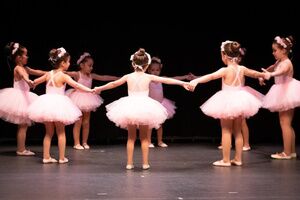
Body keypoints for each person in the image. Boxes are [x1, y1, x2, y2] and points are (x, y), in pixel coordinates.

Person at [94, 48, 190, 170]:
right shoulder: (148, 77)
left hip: (130, 107)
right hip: (145, 107)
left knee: (131, 138)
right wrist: (182, 83)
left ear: (133, 64)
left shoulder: (128, 76)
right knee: (144, 138)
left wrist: (99, 88)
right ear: (147, 65)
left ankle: (129, 163)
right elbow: (166, 80)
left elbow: (113, 84)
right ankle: (145, 163)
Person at [189, 40, 270, 166]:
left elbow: (210, 76)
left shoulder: (225, 70)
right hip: (240, 100)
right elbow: (254, 73)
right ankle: (238, 159)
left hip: (227, 101)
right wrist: (263, 75)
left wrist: (196, 81)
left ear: (225, 56)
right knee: (238, 131)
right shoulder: (242, 68)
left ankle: (226, 160)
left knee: (226, 130)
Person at [28, 47, 94, 164]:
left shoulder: (48, 74)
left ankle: (46, 157)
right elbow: (76, 85)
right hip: (59, 105)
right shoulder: (63, 76)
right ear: (63, 63)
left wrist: (31, 83)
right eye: (68, 61)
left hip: (47, 104)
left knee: (48, 133)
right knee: (61, 132)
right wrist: (89, 90)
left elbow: (35, 81)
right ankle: (62, 158)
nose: (69, 64)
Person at [65, 52, 119, 150]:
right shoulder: (77, 74)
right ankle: (76, 143)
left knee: (86, 121)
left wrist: (118, 79)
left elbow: (104, 77)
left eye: (92, 66)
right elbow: (65, 73)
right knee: (78, 121)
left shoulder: (91, 75)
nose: (91, 68)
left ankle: (84, 142)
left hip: (88, 99)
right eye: (89, 66)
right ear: (82, 65)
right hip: (77, 98)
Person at [0, 42, 46, 156]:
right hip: (20, 98)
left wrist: (50, 73)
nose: (27, 57)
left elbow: (37, 71)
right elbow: (25, 76)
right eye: (25, 55)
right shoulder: (18, 68)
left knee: (23, 125)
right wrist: (29, 81)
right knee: (23, 125)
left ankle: (21, 148)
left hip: (25, 97)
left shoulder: (25, 67)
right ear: (19, 58)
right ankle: (21, 149)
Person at [260, 36, 298, 159]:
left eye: (275, 50)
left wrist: (270, 74)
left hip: (286, 92)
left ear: (284, 51)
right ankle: (291, 151)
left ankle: (286, 152)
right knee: (287, 123)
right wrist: (264, 73)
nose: (273, 53)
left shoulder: (286, 63)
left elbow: (280, 71)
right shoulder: (279, 62)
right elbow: (273, 67)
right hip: (284, 92)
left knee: (285, 123)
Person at [146, 56, 192, 148]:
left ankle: (160, 141)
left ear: (160, 70)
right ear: (148, 70)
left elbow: (173, 79)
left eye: (157, 70)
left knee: (160, 124)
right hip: (150, 105)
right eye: (152, 70)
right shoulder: (147, 79)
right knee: (149, 125)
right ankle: (148, 142)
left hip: (161, 104)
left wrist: (185, 77)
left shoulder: (162, 78)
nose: (155, 72)